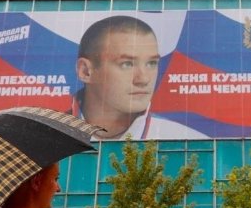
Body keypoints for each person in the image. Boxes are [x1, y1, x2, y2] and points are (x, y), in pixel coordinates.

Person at [72, 15, 207, 140]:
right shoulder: (54, 134)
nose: (143, 79)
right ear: (85, 71)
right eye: (127, 64)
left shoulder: (183, 139)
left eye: (151, 63)